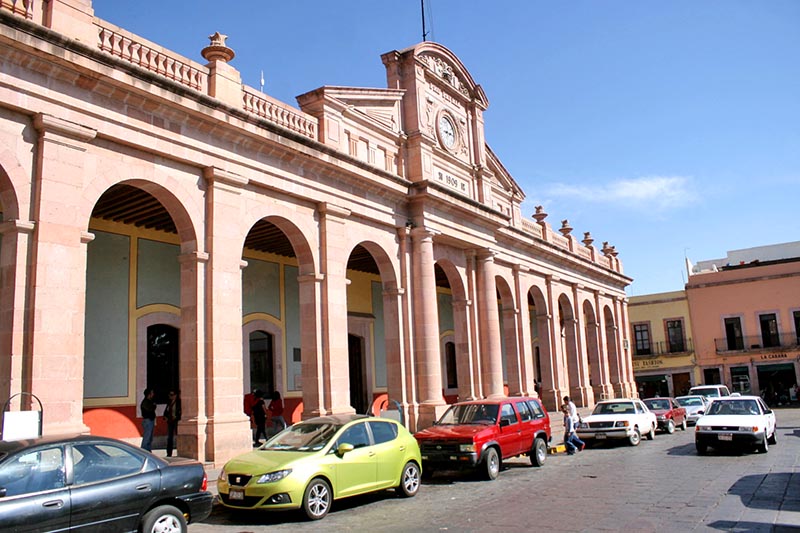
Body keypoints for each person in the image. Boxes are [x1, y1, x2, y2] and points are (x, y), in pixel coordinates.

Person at [163, 389, 182, 457]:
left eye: (172, 395)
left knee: (178, 436)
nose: (170, 396)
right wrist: (165, 417)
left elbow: (180, 412)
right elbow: (166, 411)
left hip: (176, 421)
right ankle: (169, 453)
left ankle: (180, 451)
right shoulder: (169, 403)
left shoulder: (179, 403)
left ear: (175, 396)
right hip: (170, 422)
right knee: (169, 437)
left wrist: (176, 417)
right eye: (169, 395)